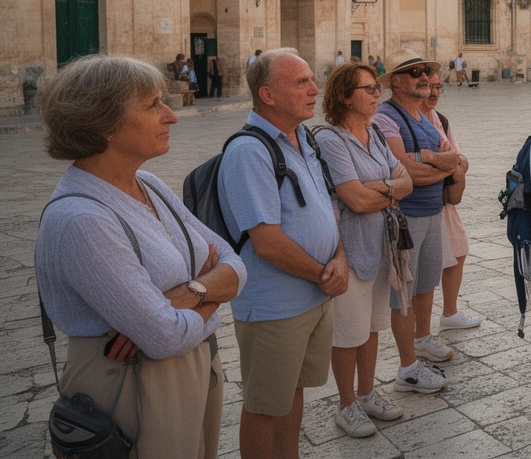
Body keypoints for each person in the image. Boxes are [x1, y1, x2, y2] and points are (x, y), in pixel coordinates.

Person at [35, 55, 245, 459]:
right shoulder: (82, 219)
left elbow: (236, 265)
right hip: (131, 382)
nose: (173, 116)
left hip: (198, 363)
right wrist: (210, 292)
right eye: (153, 105)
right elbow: (165, 336)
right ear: (104, 124)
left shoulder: (148, 183)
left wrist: (185, 296)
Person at [219, 49, 345, 459]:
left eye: (312, 79)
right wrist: (322, 273)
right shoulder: (249, 151)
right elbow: (266, 241)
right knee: (263, 406)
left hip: (313, 296)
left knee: (291, 393)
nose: (314, 90)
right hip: (276, 305)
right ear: (267, 95)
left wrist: (339, 257)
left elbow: (327, 206)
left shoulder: (303, 138)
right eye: (301, 82)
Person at [315, 62, 414, 438]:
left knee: (372, 327)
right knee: (347, 332)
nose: (377, 94)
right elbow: (353, 199)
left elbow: (405, 182)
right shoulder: (330, 140)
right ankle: (346, 404)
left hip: (382, 245)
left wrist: (382, 189)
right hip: (349, 248)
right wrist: (388, 190)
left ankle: (368, 392)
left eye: (377, 88)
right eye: (369, 88)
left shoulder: (373, 134)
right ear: (343, 96)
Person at [371, 50, 460, 383]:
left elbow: (454, 159)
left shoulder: (425, 116)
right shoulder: (386, 117)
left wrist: (427, 160)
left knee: (426, 283)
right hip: (405, 218)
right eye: (414, 72)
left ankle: (422, 339)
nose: (424, 77)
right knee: (404, 295)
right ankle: (408, 367)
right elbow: (405, 173)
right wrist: (435, 164)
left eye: (425, 71)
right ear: (395, 81)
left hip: (433, 212)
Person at [424, 70, 482, 331]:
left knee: (459, 249)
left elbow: (459, 158)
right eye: (428, 86)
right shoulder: (403, 120)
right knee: (422, 267)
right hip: (421, 201)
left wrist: (449, 164)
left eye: (438, 86)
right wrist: (449, 164)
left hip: (444, 199)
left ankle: (449, 312)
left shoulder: (440, 119)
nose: (434, 92)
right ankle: (418, 332)